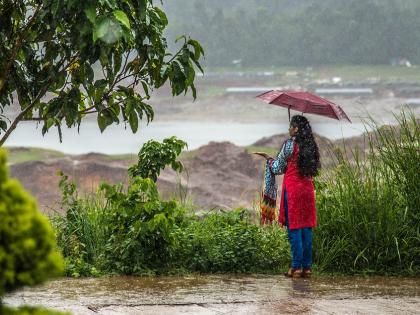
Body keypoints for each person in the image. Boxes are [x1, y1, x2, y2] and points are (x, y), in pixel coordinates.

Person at [255, 115, 320, 278]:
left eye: (290, 126)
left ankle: (296, 267)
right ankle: (307, 267)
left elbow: (277, 168)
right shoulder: (311, 145)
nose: (288, 129)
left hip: (293, 191)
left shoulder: (289, 145)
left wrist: (268, 159)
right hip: (307, 190)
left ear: (296, 129)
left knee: (294, 228)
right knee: (306, 228)